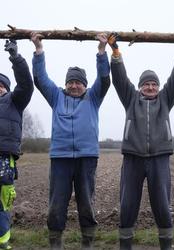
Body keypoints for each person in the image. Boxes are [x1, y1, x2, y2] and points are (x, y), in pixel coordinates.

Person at [106, 33, 174, 250]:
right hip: (133, 158)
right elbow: (119, 79)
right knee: (128, 205)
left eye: (154, 84)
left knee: (162, 205)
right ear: (140, 87)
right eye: (147, 84)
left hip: (159, 159)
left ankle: (166, 245)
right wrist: (115, 53)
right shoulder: (130, 98)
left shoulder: (166, 99)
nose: (151, 87)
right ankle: (125, 245)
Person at [30, 32, 110, 250]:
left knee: (86, 203)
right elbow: (40, 79)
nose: (74, 86)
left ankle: (87, 243)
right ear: (65, 84)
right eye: (70, 82)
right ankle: (56, 243)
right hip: (60, 158)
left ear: (84, 85)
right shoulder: (56, 96)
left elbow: (104, 79)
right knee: (57, 204)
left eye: (78, 82)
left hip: (87, 157)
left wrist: (101, 52)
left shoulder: (93, 97)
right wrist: (38, 50)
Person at [0, 39, 34, 249]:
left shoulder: (15, 100)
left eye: (1, 85)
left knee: (2, 203)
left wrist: (16, 58)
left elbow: (26, 84)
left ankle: (3, 242)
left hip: (4, 159)